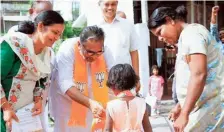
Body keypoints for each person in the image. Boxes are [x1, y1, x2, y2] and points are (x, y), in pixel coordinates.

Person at [148, 5, 224, 132]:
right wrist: (180, 105)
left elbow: (199, 74)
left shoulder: (192, 34)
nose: (160, 38)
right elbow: (190, 78)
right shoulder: (186, 37)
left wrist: (184, 113)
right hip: (202, 109)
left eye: (159, 32)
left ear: (169, 20)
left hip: (211, 110)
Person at [0, 10, 64, 132]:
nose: (57, 38)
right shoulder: (14, 44)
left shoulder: (47, 53)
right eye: (55, 32)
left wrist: (38, 100)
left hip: (26, 115)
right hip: (4, 112)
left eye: (59, 34)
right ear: (40, 26)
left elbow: (41, 79)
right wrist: (6, 108)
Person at [49, 26, 109, 132]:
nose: (95, 56)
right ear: (79, 45)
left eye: (98, 52)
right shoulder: (67, 50)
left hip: (95, 103)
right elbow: (65, 84)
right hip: (68, 105)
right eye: (90, 52)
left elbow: (114, 73)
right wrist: (89, 103)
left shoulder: (104, 49)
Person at [104, 64, 152, 132]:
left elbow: (107, 130)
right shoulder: (142, 102)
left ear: (113, 85)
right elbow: (148, 127)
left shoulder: (111, 106)